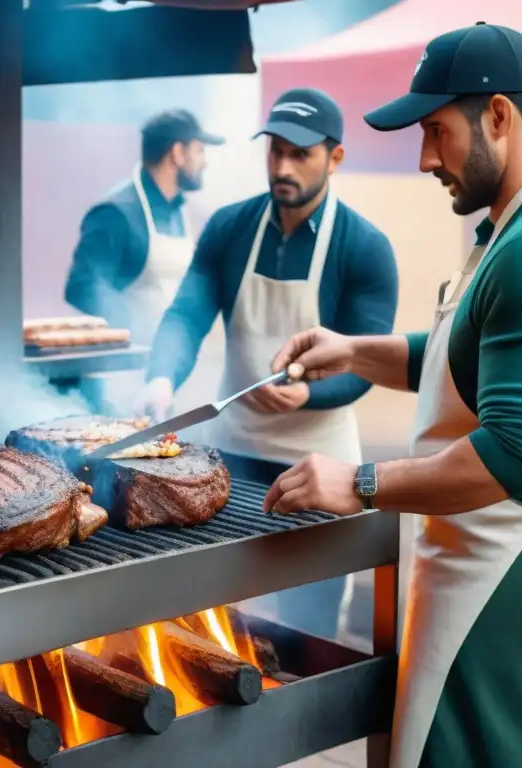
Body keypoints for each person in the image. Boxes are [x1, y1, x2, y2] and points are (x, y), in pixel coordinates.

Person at [266, 23, 522, 767]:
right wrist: (354, 350)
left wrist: (361, 482)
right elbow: (471, 361)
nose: (424, 158)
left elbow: (515, 455)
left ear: (499, 117)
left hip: (503, 570)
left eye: (437, 130)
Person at [137, 88, 399, 639]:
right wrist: (161, 380)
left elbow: (366, 362)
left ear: (336, 157)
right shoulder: (230, 227)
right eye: (275, 151)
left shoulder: (365, 247)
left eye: (300, 154)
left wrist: (309, 395)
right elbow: (187, 313)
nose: (282, 167)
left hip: (319, 459)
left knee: (310, 624)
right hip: (233, 452)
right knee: (216, 614)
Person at [64, 109, 223, 343]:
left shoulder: (179, 210)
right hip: (128, 367)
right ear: (178, 153)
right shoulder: (116, 213)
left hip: (171, 357)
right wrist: (139, 325)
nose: (205, 162)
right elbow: (82, 286)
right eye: (199, 151)